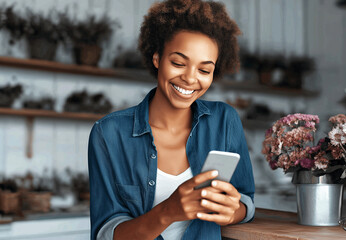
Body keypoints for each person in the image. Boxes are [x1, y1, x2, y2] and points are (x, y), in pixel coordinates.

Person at [88, 0, 255, 239]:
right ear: (157, 58)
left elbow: (246, 200)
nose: (189, 78)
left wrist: (232, 212)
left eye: (204, 70)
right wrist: (168, 211)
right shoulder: (108, 133)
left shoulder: (224, 120)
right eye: (178, 63)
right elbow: (105, 234)